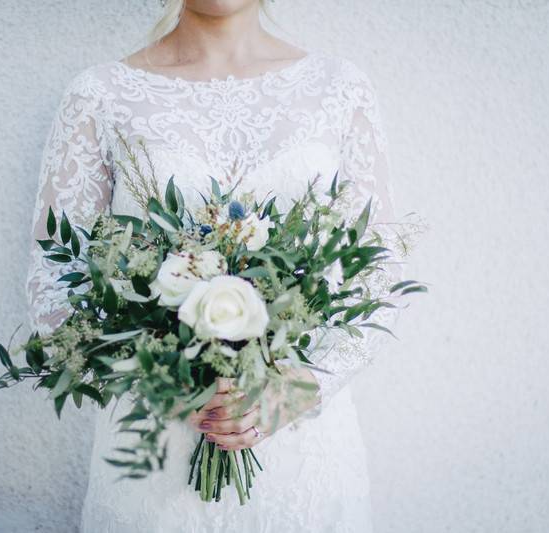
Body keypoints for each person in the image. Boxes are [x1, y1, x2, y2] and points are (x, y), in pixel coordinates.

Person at [24, 1, 406, 531]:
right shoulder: (100, 96)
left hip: (301, 455)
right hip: (155, 448)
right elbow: (55, 285)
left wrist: (302, 384)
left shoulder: (339, 88)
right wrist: (161, 381)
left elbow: (379, 273)